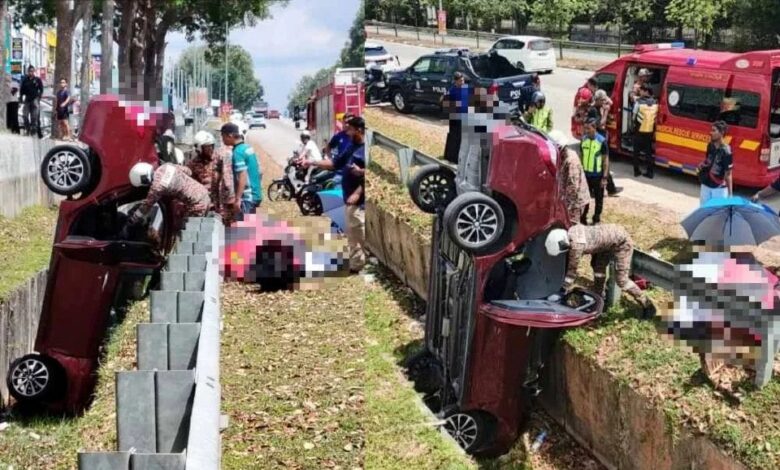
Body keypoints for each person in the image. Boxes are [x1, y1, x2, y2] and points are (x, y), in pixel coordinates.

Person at [546, 224, 656, 319]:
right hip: (604, 244)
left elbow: (571, 274)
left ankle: (647, 304)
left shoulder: (576, 246)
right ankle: (600, 299)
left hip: (621, 242)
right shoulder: (570, 231)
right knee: (598, 270)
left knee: (622, 280)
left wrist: (561, 290)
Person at [304, 116, 366, 273]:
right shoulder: (351, 146)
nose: (347, 131)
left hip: (358, 200)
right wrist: (312, 162)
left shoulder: (365, 149)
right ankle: (355, 264)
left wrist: (358, 193)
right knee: (352, 233)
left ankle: (365, 263)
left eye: (350, 129)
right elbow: (334, 164)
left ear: (359, 129)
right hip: (348, 197)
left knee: (359, 231)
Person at [127, 162, 211, 225]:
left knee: (186, 234)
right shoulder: (166, 166)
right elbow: (188, 171)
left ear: (144, 180)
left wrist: (132, 220)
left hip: (197, 205)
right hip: (204, 194)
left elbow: (146, 206)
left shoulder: (157, 188)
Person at [189, 130, 235, 224]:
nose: (210, 149)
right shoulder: (193, 164)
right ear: (199, 148)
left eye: (211, 146)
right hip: (206, 204)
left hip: (223, 203)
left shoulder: (221, 158)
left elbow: (228, 179)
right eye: (206, 147)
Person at [221, 122, 262, 220]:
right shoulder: (248, 148)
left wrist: (238, 199)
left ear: (230, 135)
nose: (222, 140)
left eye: (223, 136)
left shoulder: (237, 152)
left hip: (247, 198)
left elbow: (242, 175)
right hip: (256, 194)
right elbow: (260, 172)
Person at [549, 130, 590, 226]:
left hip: (576, 203)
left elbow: (573, 190)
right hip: (568, 200)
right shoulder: (562, 157)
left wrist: (567, 212)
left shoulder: (571, 161)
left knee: (572, 230)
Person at [580, 118, 609, 225]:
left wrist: (605, 177)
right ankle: (583, 218)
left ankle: (596, 218)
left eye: (588, 128)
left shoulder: (601, 141)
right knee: (584, 198)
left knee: (598, 198)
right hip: (586, 175)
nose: (586, 130)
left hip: (598, 176)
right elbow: (582, 156)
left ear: (594, 128)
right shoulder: (584, 140)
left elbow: (605, 160)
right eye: (585, 128)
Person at [697, 120, 733, 205]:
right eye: (711, 130)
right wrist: (702, 164)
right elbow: (707, 160)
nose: (710, 133)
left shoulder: (726, 152)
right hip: (705, 184)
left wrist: (730, 194)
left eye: (714, 130)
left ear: (721, 133)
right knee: (704, 211)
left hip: (719, 189)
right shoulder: (710, 146)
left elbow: (729, 174)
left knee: (717, 214)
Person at [632, 83, 658, 178]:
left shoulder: (638, 102)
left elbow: (634, 115)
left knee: (636, 152)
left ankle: (636, 171)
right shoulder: (655, 103)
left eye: (641, 90)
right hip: (649, 131)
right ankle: (650, 173)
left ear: (646, 91)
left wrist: (634, 126)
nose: (640, 92)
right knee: (648, 153)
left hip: (639, 131)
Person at [442, 71, 469, 164]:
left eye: (463, 80)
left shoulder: (466, 88)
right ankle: (453, 157)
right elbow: (445, 103)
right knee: (455, 138)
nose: (462, 82)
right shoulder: (452, 91)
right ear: (456, 81)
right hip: (456, 119)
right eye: (461, 81)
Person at [19, 65, 43, 138]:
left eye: (32, 71)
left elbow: (41, 89)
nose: (31, 73)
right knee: (25, 115)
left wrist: (39, 97)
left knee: (34, 117)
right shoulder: (25, 80)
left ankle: (33, 132)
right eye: (30, 71)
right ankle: (27, 129)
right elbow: (21, 90)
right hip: (27, 99)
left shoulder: (37, 79)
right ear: (28, 72)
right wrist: (20, 98)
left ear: (34, 72)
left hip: (35, 99)